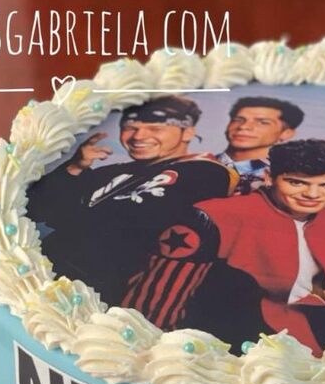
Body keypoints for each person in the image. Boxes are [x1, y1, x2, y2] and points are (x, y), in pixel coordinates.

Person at [123, 139, 325, 355]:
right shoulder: (214, 216)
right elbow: (158, 302)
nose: (313, 194)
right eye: (296, 183)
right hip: (217, 348)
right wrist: (152, 357)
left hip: (309, 353)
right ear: (269, 177)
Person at [27, 95, 237, 305]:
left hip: (105, 297)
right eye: (130, 128)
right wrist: (75, 167)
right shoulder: (111, 172)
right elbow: (35, 210)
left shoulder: (205, 172)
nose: (138, 136)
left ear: (187, 132)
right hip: (43, 279)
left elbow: (130, 224)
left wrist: (70, 216)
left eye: (155, 128)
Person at [216, 96, 305, 195]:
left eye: (263, 122)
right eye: (238, 120)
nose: (243, 126)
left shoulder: (285, 177)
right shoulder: (204, 160)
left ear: (286, 133)